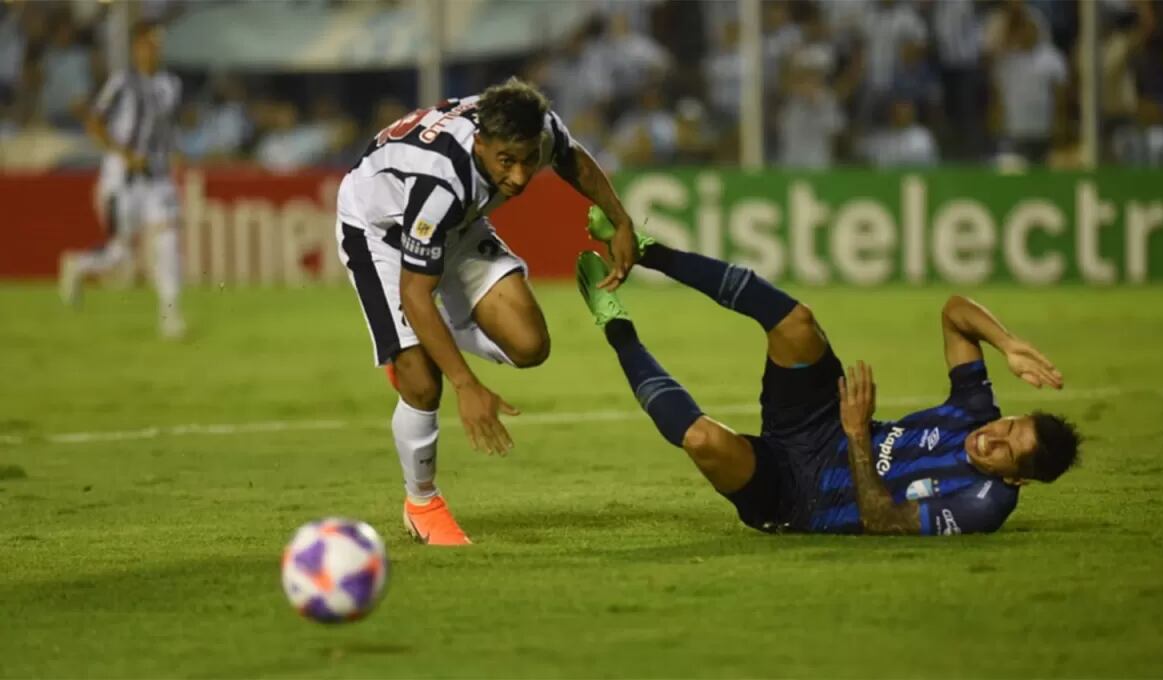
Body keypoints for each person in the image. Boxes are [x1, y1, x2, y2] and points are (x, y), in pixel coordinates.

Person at [576, 209, 1081, 535]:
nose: (991, 438)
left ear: (1020, 480)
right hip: (820, 420)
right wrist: (1008, 344)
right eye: (1007, 426)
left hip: (796, 497)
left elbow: (880, 520)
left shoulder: (982, 505)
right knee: (795, 323)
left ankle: (615, 324)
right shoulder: (976, 413)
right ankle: (646, 251)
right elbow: (954, 311)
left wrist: (859, 435)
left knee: (704, 440)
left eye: (1006, 451)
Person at [336, 78, 638, 545]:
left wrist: (619, 218)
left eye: (528, 160)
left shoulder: (536, 127)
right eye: (506, 162)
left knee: (529, 345)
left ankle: (419, 337)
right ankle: (422, 504)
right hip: (382, 232)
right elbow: (416, 292)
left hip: (458, 226)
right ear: (480, 143)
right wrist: (466, 384)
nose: (519, 177)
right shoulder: (441, 181)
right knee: (421, 379)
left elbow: (571, 156)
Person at [58, 20, 185, 339]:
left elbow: (167, 128)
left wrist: (173, 154)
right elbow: (96, 123)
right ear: (136, 47)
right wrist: (126, 155)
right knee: (121, 257)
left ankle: (170, 315)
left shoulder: (171, 84)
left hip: (157, 178)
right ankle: (78, 264)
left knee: (167, 239)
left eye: (157, 44)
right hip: (121, 180)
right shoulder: (122, 82)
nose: (153, 50)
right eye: (147, 44)